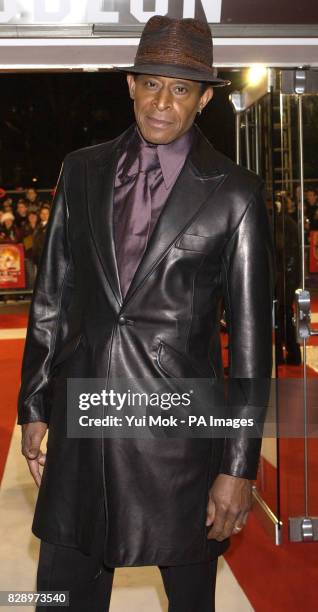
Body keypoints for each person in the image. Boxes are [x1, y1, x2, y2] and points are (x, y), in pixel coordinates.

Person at [18, 15, 273, 612]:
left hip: (180, 442)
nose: (162, 102)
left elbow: (253, 347)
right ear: (130, 84)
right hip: (84, 430)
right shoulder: (80, 171)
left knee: (190, 602)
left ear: (204, 98)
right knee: (60, 596)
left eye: (181, 89)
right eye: (152, 83)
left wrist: (238, 467)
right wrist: (33, 404)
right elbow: (51, 298)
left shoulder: (234, 193)